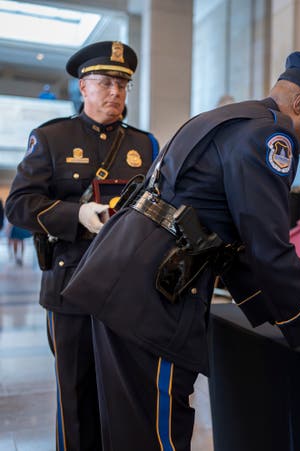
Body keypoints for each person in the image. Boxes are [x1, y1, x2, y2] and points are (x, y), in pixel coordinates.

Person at [61, 51, 300, 450]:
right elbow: (268, 245)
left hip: (122, 283)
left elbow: (230, 244)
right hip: (154, 301)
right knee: (158, 435)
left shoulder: (227, 119)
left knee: (129, 430)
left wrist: (291, 317)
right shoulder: (270, 136)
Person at [5, 41, 158, 451]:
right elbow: (18, 206)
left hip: (127, 291)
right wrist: (75, 215)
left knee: (127, 394)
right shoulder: (52, 138)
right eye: (106, 83)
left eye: (123, 86)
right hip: (70, 285)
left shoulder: (145, 146)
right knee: (75, 394)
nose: (115, 93)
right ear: (82, 87)